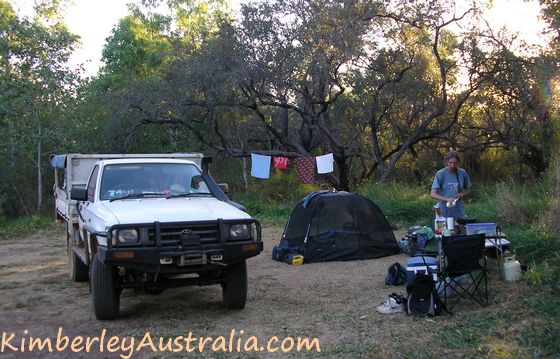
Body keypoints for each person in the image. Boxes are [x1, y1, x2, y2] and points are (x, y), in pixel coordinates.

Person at [430, 150, 471, 219]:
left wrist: (461, 194)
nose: (452, 165)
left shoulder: (462, 173)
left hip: (458, 211)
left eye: (455, 163)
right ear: (446, 161)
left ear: (458, 162)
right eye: (450, 163)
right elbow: (433, 194)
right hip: (444, 212)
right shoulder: (441, 174)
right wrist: (447, 199)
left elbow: (468, 190)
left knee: (459, 228)